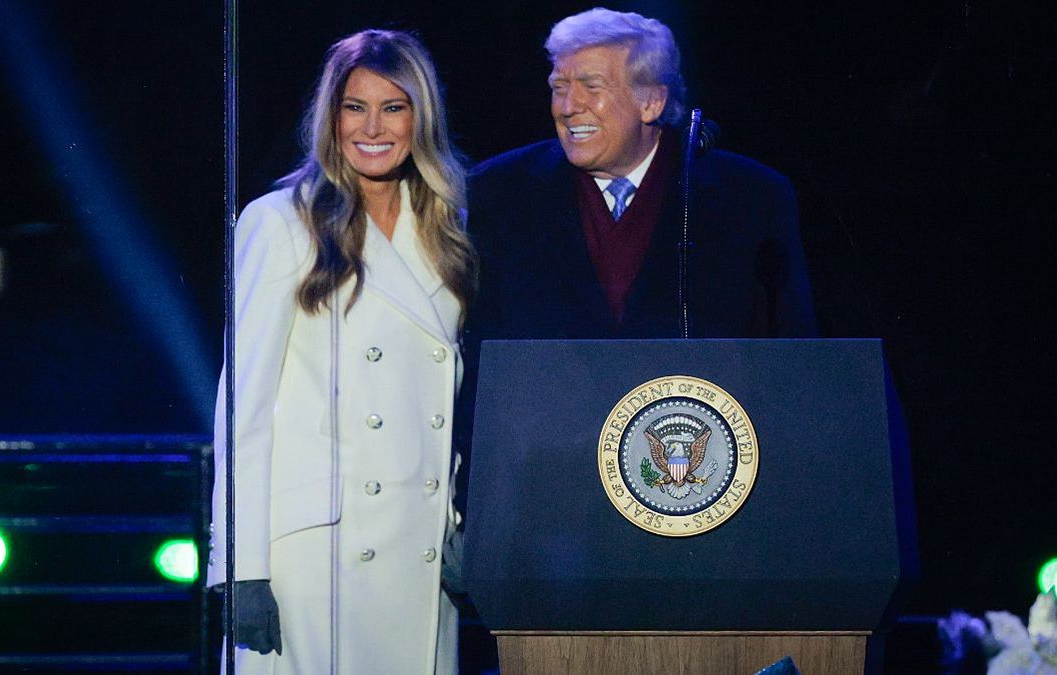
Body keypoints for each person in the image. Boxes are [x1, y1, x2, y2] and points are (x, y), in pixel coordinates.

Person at [455, 8, 817, 509]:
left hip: (697, 494)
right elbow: (478, 364)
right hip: (545, 497)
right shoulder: (498, 194)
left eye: (591, 86)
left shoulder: (749, 198)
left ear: (651, 101)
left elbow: (791, 363)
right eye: (559, 87)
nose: (568, 107)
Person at [207, 29, 476, 674]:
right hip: (312, 557)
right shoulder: (282, 221)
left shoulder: (445, 228)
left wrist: (457, 523)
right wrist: (241, 566)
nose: (372, 128)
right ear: (330, 118)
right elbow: (243, 408)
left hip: (419, 550)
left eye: (393, 107)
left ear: (420, 118)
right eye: (355, 107)